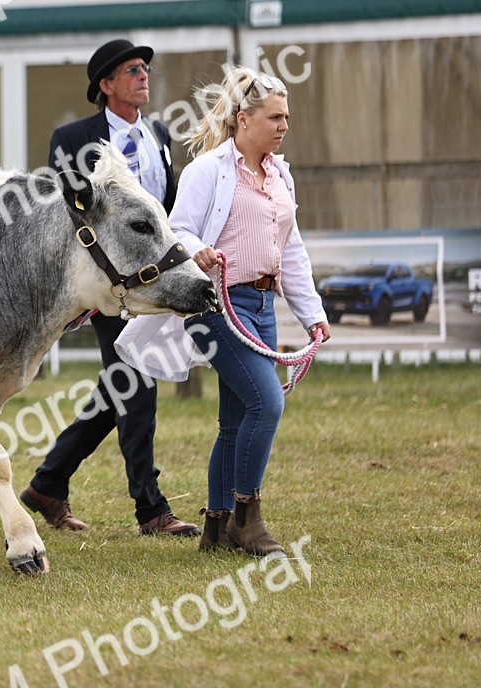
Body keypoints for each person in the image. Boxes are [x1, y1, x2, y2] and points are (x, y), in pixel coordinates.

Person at [117, 67, 331, 557]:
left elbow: (290, 249)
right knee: (266, 403)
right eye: (274, 117)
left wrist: (312, 311)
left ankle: (215, 527)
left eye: (287, 118)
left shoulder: (280, 175)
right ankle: (246, 519)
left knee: (235, 421)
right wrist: (198, 252)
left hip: (262, 304)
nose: (283, 126)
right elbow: (179, 230)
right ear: (243, 120)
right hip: (217, 306)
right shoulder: (208, 171)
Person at [19, 39, 199, 537]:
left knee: (121, 387)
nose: (144, 76)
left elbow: (165, 206)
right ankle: (151, 510)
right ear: (106, 85)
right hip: (109, 285)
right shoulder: (73, 137)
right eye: (132, 70)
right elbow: (68, 213)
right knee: (136, 388)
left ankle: (48, 483)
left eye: (145, 69)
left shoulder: (159, 133)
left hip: (154, 282)